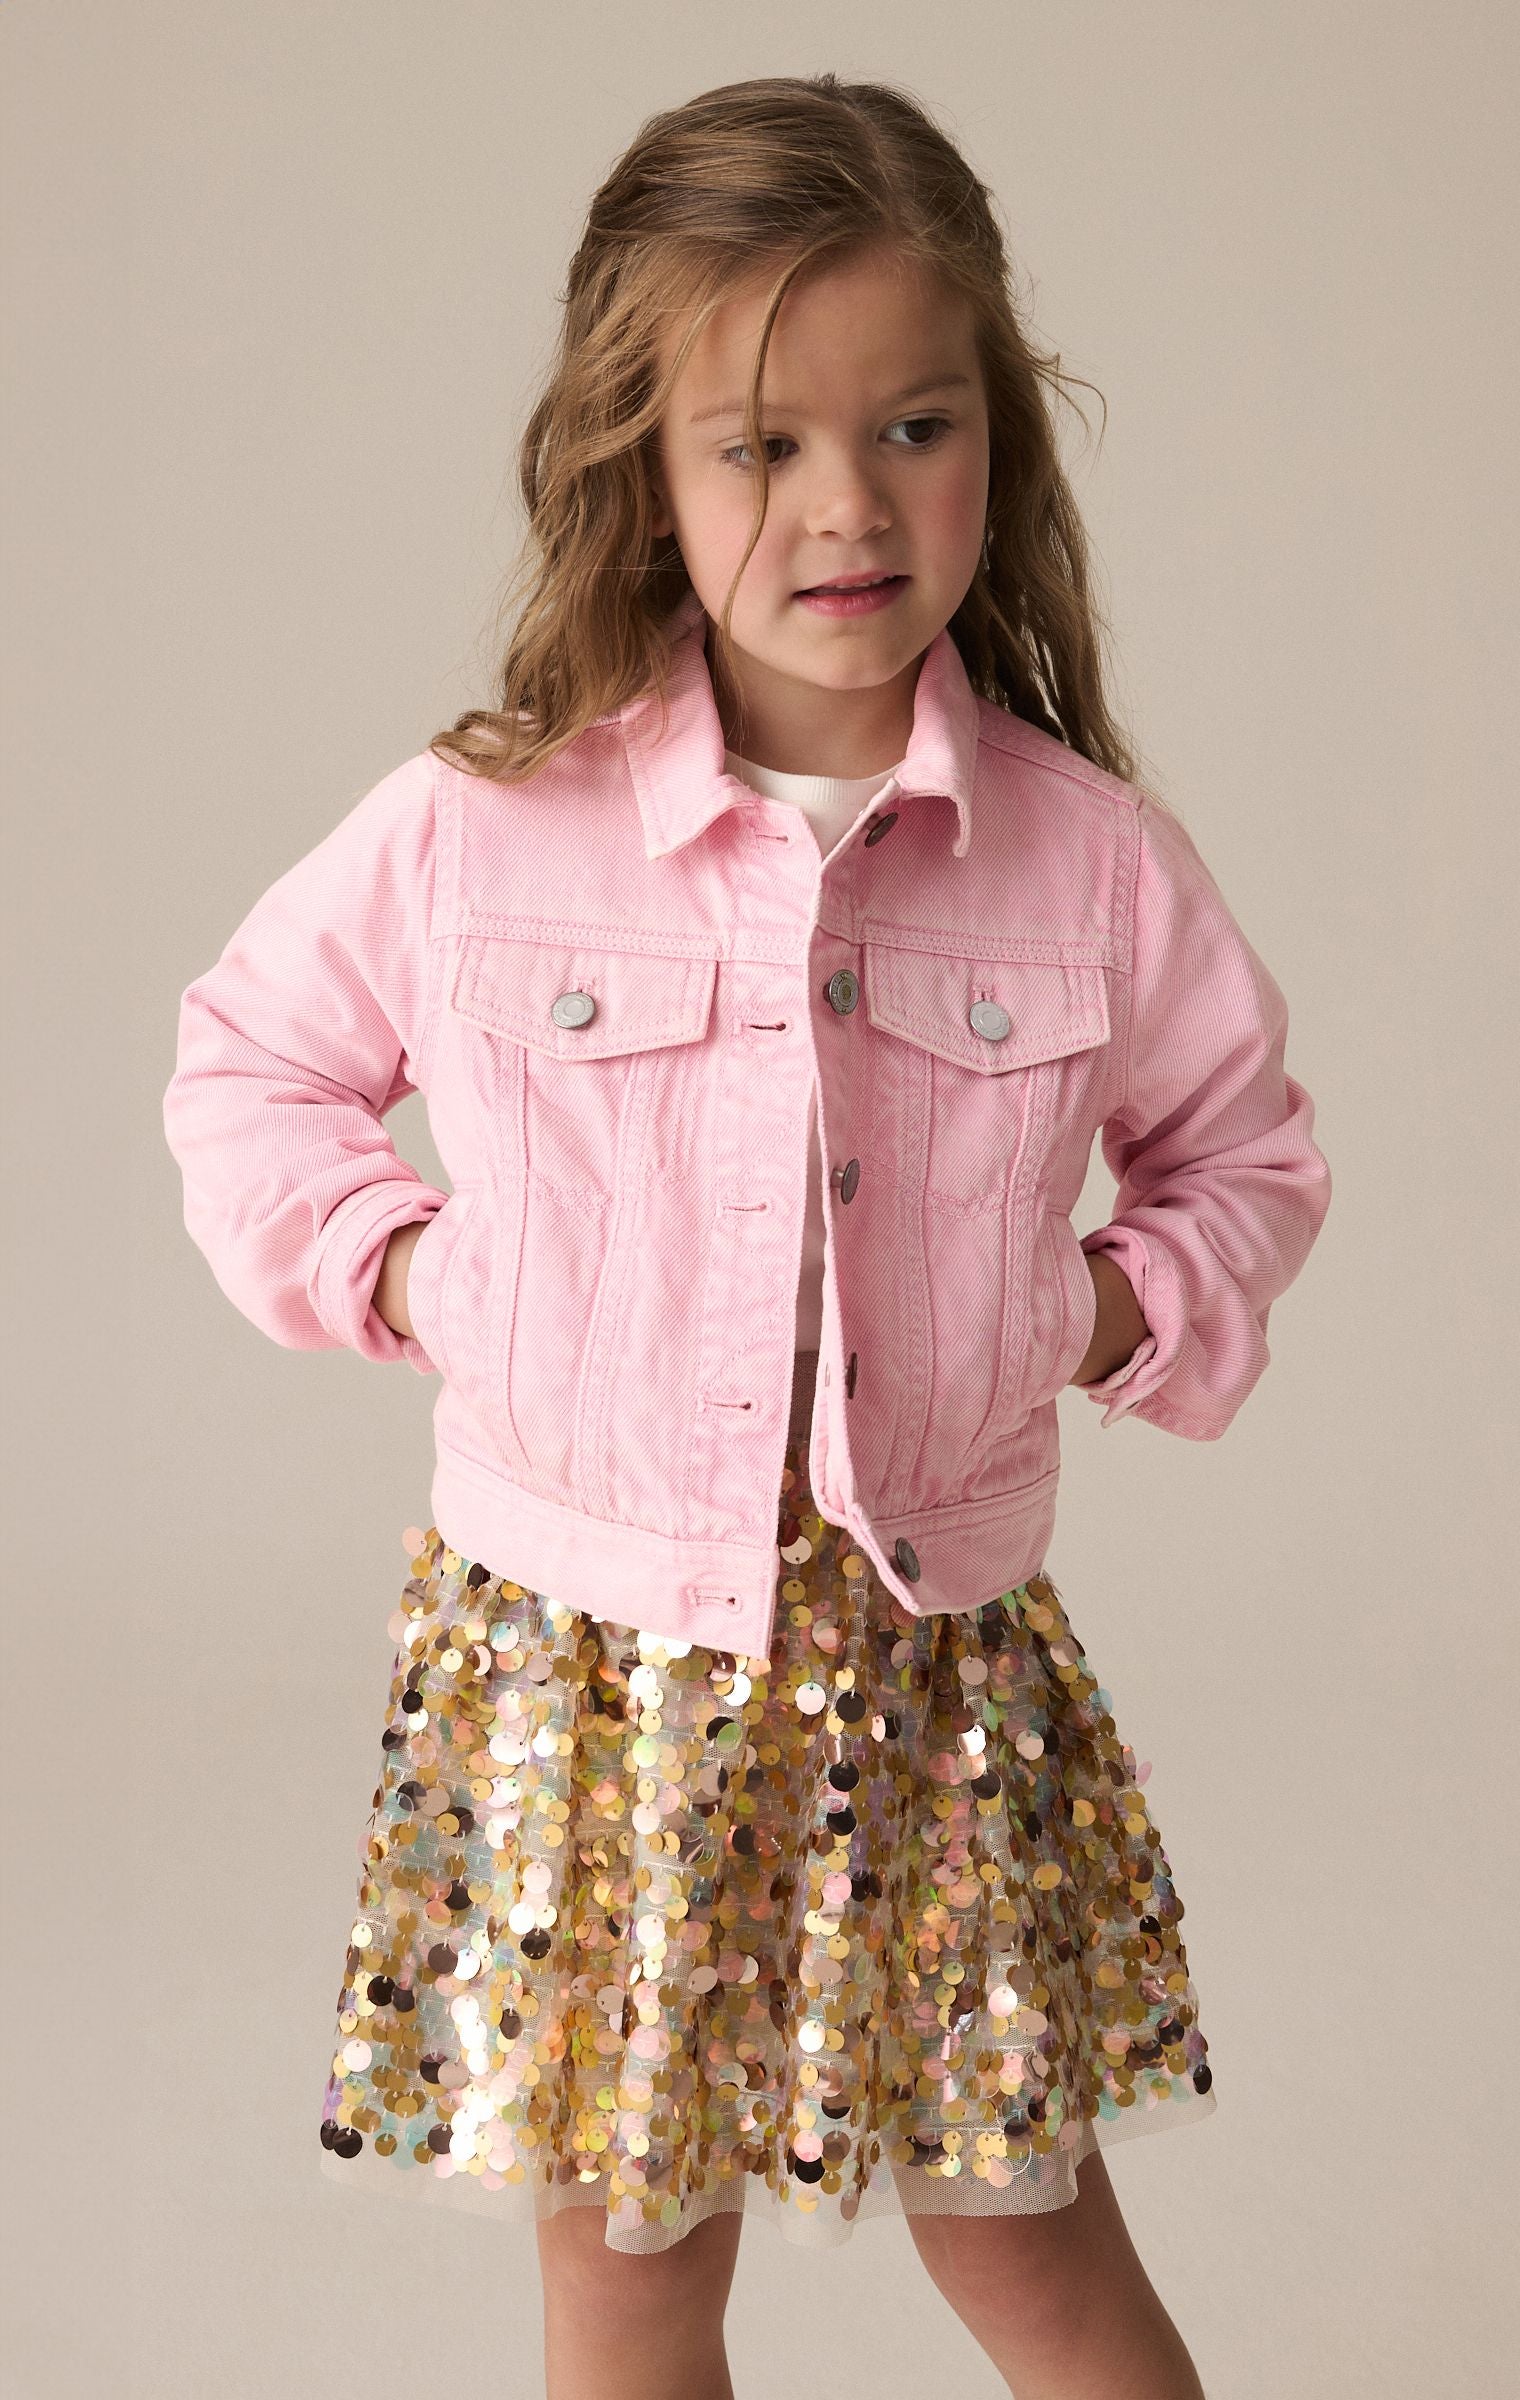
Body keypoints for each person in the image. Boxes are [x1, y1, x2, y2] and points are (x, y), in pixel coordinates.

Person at [162, 71, 1331, 2400]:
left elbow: (1249, 1161)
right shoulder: (486, 828)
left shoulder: (1085, 863)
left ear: (995, 437)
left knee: (1029, 2251)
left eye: (913, 427)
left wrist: (1087, 1311)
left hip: (928, 1681)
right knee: (629, 2276)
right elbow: (248, 1069)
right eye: (762, 445)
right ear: (642, 469)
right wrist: (420, 1272)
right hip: (592, 1687)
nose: (848, 504)